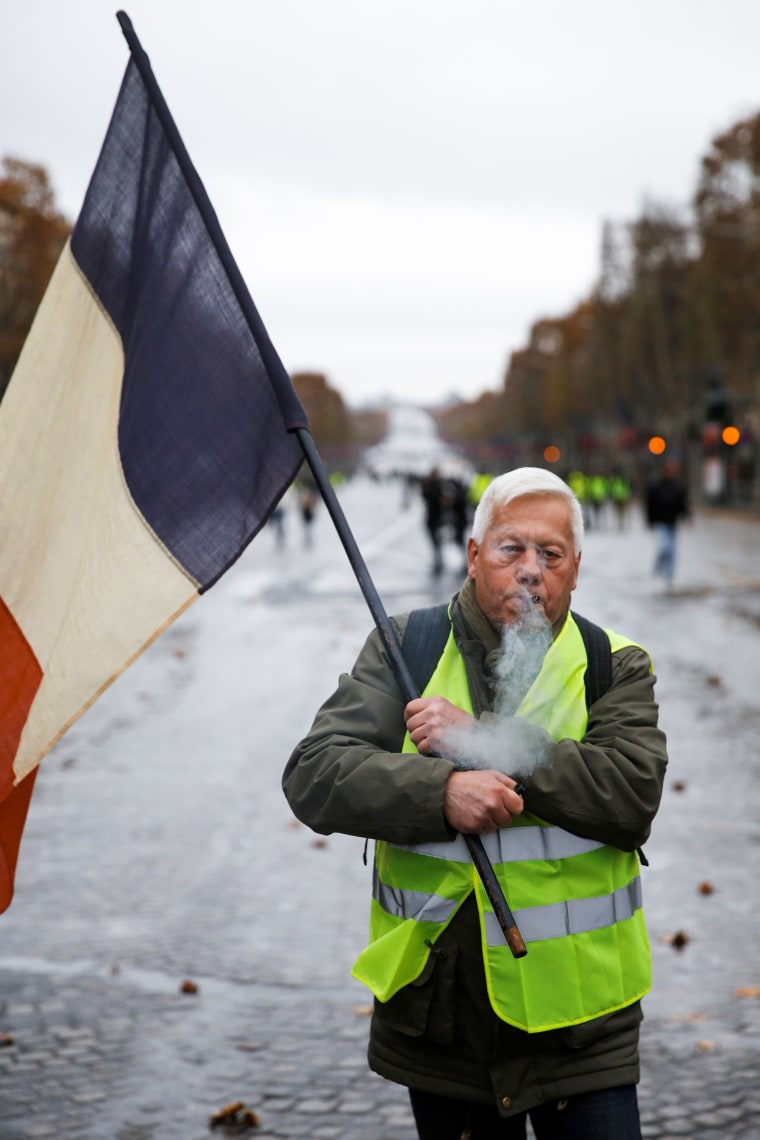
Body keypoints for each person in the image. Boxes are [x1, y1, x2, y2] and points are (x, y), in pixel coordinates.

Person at [283, 467, 668, 1140]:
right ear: (473, 554)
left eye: (550, 555)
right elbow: (314, 773)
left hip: (583, 1029)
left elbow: (631, 792)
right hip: (441, 1024)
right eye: (510, 549)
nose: (530, 571)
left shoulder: (614, 664)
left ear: (576, 567)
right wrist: (441, 791)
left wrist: (483, 743)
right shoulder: (407, 647)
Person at [645, 459, 690, 589]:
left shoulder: (678, 486)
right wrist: (649, 520)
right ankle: (658, 567)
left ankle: (669, 577)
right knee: (665, 548)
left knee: (672, 551)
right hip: (661, 522)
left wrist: (687, 517)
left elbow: (683, 503)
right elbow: (650, 504)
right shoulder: (656, 485)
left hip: (673, 523)